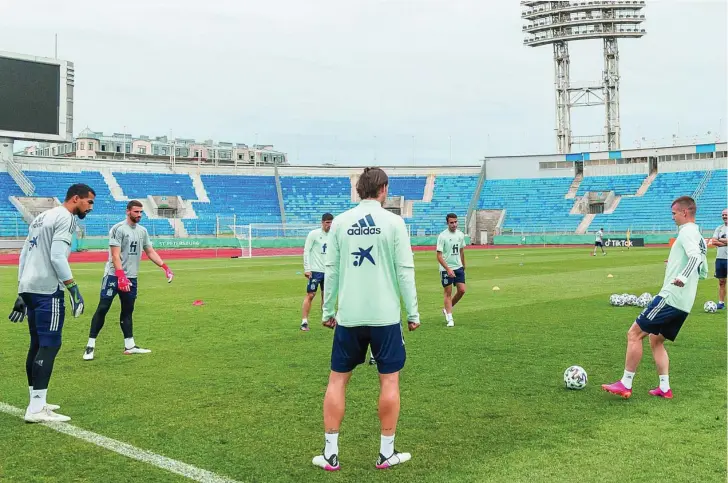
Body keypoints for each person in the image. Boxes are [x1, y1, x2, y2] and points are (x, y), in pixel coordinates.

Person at [313, 167, 420, 471]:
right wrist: (412, 313)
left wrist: (328, 310)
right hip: (385, 317)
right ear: (383, 189)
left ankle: (330, 454)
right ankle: (386, 453)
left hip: (349, 316)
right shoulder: (395, 223)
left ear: (359, 189)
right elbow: (405, 271)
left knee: (337, 380)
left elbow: (331, 270)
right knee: (389, 380)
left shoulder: (341, 223)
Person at [602, 196, 707, 399]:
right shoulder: (700, 237)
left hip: (670, 297)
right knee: (655, 340)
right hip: (685, 304)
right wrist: (677, 263)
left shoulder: (686, 232)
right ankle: (665, 388)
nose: (673, 217)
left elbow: (693, 258)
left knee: (634, 334)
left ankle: (625, 383)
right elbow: (702, 270)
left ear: (685, 213)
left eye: (674, 213)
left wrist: (682, 276)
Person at [8, 184, 95, 422]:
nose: (90, 208)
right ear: (75, 199)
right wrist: (73, 288)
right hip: (48, 290)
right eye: (89, 202)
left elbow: (25, 253)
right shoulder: (66, 218)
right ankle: (36, 409)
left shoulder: (42, 217)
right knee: (49, 345)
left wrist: (21, 289)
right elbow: (57, 257)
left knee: (36, 345)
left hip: (30, 287)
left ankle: (37, 400)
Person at [83, 200, 173, 360]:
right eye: (136, 212)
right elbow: (115, 255)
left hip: (131, 278)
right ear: (128, 211)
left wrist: (164, 267)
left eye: (141, 212)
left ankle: (129, 345)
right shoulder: (118, 229)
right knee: (103, 308)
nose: (139, 215)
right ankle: (90, 346)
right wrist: (120, 276)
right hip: (113, 276)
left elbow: (150, 251)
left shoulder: (143, 231)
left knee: (127, 311)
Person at [300, 213, 333, 331]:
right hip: (315, 271)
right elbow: (306, 251)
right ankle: (304, 321)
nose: (329, 225)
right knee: (311, 294)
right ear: (322, 222)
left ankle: (326, 320)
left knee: (326, 297)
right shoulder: (314, 234)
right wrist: (307, 268)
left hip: (329, 271)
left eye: (331, 222)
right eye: (327, 222)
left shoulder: (334, 235)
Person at [437, 213, 466, 327]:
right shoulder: (442, 236)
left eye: (455, 222)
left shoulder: (460, 235)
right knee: (448, 293)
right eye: (451, 222)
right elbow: (439, 255)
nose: (454, 224)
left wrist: (463, 265)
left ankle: (446, 309)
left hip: (458, 267)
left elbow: (461, 250)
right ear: (447, 223)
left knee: (462, 290)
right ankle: (450, 318)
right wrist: (448, 269)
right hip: (446, 268)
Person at [710, 209, 727, 309]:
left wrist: (719, 240)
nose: (724, 216)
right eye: (723, 215)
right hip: (720, 259)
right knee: (721, 282)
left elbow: (717, 240)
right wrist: (725, 242)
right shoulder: (719, 228)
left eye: (726, 215)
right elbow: (713, 242)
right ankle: (721, 303)